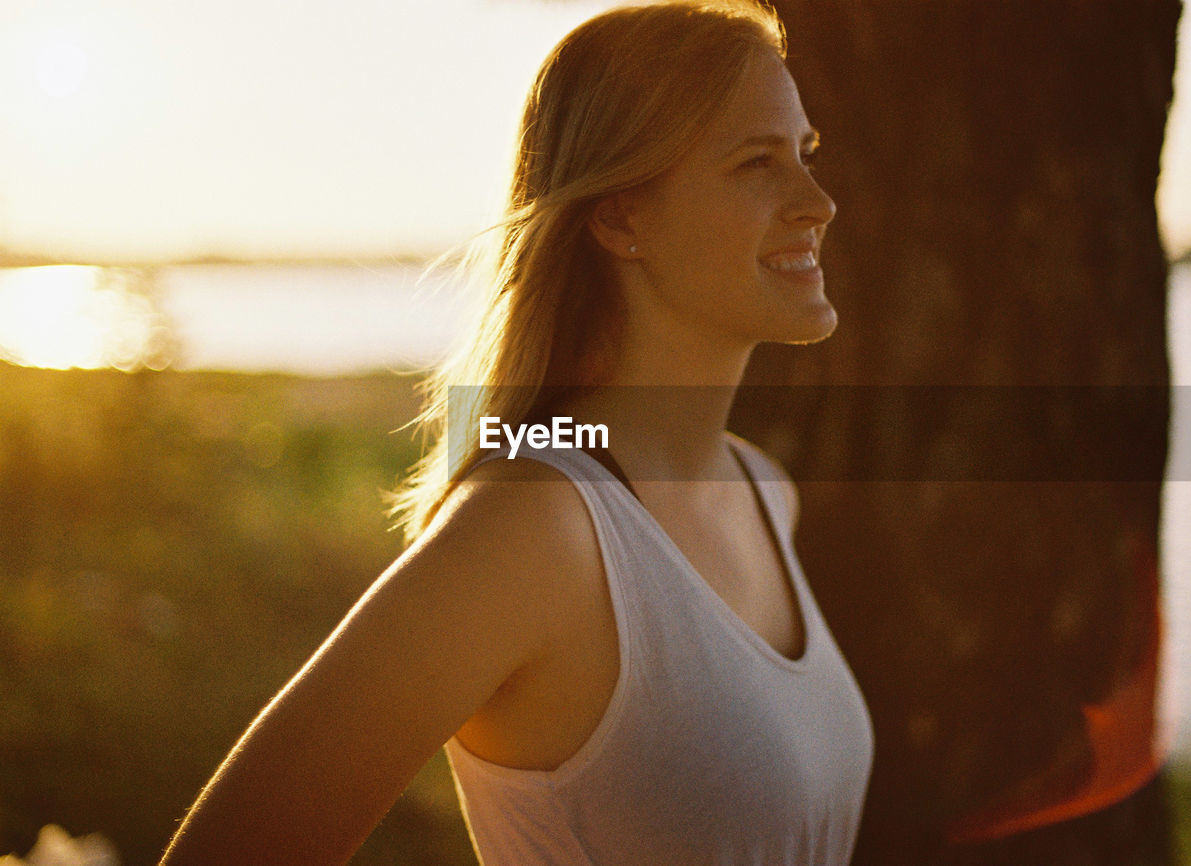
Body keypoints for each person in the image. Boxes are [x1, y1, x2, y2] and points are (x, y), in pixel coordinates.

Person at [160, 2, 872, 863]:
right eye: (758, 163)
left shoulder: (762, 490)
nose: (818, 203)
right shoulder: (535, 529)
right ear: (618, 219)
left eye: (807, 155)